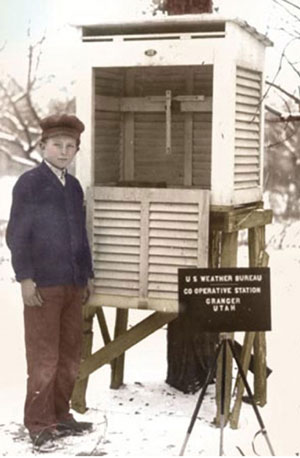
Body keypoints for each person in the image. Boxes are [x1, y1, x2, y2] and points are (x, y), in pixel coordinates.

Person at [6, 114, 94, 449]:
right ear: (43, 146)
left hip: (72, 285)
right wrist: (26, 278)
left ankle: (60, 415)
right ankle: (39, 422)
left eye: (70, 146)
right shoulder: (29, 184)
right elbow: (17, 234)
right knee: (44, 358)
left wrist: (84, 277)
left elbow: (80, 237)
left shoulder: (72, 187)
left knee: (70, 355)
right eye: (57, 144)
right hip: (43, 286)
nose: (64, 151)